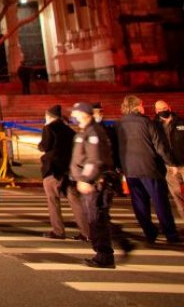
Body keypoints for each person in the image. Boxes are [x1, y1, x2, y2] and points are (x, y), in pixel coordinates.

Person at [70, 102, 133, 268]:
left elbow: (95, 159)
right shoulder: (86, 130)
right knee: (99, 218)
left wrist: (86, 179)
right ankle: (122, 242)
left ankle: (104, 256)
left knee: (96, 219)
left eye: (76, 113)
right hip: (92, 182)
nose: (73, 116)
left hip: (96, 183)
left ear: (85, 114)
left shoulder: (93, 132)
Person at [117, 95, 180, 244]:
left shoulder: (119, 124)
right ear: (136, 106)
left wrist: (120, 166)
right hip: (149, 168)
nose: (143, 107)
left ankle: (149, 233)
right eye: (141, 105)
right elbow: (159, 146)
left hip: (130, 169)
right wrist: (170, 163)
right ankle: (170, 234)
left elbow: (116, 146)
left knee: (139, 203)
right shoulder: (146, 122)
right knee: (160, 201)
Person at [39, 104, 89, 241]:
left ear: (49, 116)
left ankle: (58, 231)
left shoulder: (49, 128)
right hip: (68, 170)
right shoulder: (70, 131)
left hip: (53, 169)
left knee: (53, 201)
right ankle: (86, 232)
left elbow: (45, 146)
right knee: (75, 201)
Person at [154, 100, 184, 220]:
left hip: (183, 162)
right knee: (176, 194)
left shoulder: (181, 122)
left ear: (169, 107)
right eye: (159, 109)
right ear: (156, 111)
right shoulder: (154, 126)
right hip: (169, 166)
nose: (162, 111)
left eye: (164, 108)